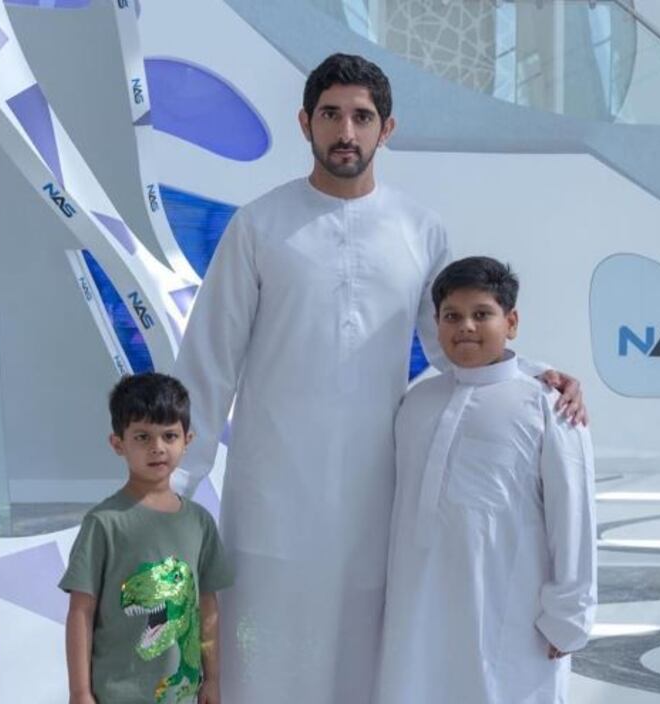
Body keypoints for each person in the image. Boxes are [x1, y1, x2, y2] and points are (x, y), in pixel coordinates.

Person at [172, 53, 587, 704]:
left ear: (386, 129)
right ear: (305, 122)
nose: (346, 132)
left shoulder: (420, 230)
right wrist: (171, 485)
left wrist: (536, 378)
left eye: (362, 117)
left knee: (369, 671)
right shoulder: (259, 226)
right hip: (273, 496)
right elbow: (208, 361)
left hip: (379, 499)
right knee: (266, 663)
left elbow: (459, 349)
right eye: (332, 115)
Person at [374, 256, 597, 704]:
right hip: (417, 610)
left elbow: (574, 516)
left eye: (482, 314)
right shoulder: (417, 403)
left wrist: (569, 616)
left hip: (509, 612)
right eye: (452, 316)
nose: (466, 327)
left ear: (511, 322)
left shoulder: (548, 406)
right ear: (436, 325)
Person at [59, 373, 233, 704]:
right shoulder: (103, 524)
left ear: (187, 440)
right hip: (115, 694)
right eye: (142, 437)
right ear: (118, 444)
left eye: (169, 435)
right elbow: (80, 611)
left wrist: (212, 679)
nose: (157, 448)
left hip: (182, 694)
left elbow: (207, 606)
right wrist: (79, 691)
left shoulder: (200, 523)